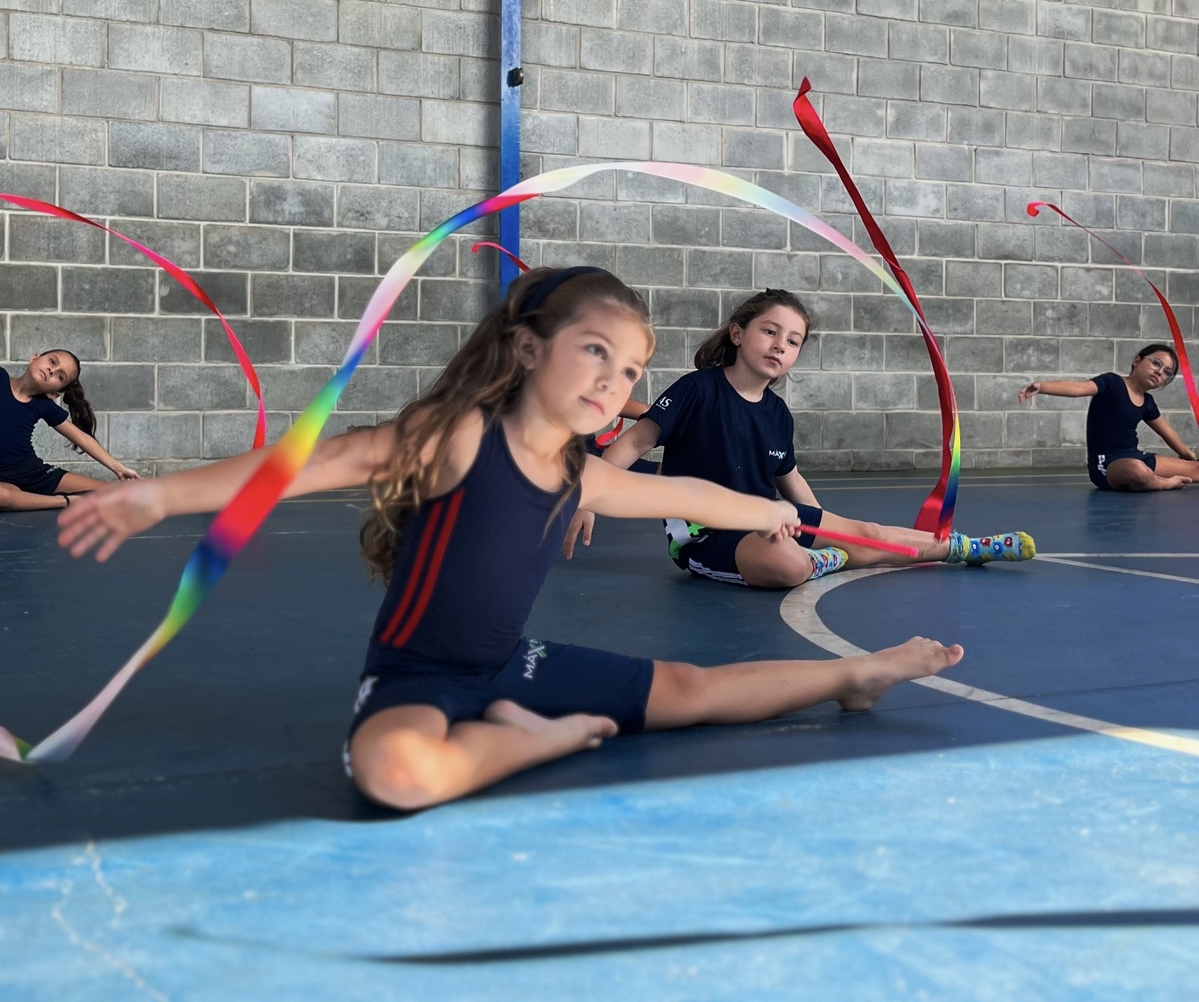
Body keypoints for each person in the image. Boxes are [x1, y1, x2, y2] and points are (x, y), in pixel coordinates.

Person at [57, 267, 965, 811]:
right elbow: (316, 461)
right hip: (417, 678)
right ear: (529, 349)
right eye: (595, 351)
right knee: (394, 774)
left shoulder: (579, 474)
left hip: (509, 665)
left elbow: (683, 491)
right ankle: (543, 740)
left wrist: (765, 511)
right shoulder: (460, 438)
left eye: (631, 368)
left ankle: (853, 675)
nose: (613, 380)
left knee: (691, 688)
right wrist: (159, 497)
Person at [564, 289, 1034, 588]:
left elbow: (790, 481)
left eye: (791, 342)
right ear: (737, 333)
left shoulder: (777, 414)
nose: (779, 345)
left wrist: (822, 524)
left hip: (771, 518)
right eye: (769, 332)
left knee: (867, 534)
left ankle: (965, 547)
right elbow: (636, 442)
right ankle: (821, 561)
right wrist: (589, 499)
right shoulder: (697, 389)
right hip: (709, 536)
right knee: (787, 566)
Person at [0, 263, 139, 510]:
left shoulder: (43, 405)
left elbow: (81, 437)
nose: (51, 370)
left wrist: (118, 468)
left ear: (54, 392)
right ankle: (66, 501)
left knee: (112, 492)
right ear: (34, 358)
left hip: (37, 474)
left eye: (60, 376)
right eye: (52, 362)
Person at [1018, 344, 1199, 491]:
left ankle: (1153, 479)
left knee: (1194, 470)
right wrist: (1042, 387)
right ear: (1137, 361)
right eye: (1156, 363)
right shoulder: (1112, 383)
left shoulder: (1148, 402)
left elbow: (1167, 432)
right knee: (1138, 472)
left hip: (1136, 457)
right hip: (1107, 464)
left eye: (1167, 372)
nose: (1160, 372)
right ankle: (1164, 483)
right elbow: (1079, 388)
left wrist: (1188, 455)